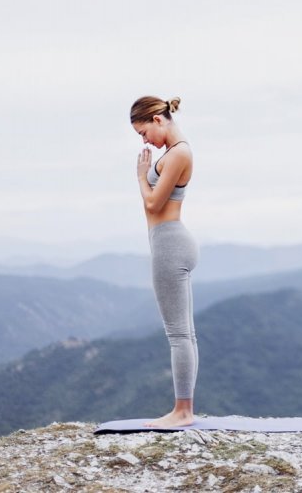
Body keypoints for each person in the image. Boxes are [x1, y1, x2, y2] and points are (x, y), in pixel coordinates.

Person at [130, 95, 199, 428]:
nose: (145, 141)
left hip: (171, 244)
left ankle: (182, 412)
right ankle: (184, 409)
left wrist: (142, 176)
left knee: (178, 335)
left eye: (144, 133)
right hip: (170, 242)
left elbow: (154, 204)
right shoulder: (175, 153)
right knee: (185, 334)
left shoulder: (179, 153)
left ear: (158, 120)